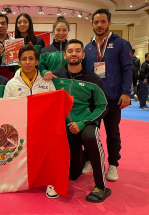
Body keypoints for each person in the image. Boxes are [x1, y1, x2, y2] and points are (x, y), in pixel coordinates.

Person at [44, 39, 110, 203]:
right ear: (65, 54)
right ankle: (85, 157)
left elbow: (103, 106)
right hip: (64, 127)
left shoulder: (93, 79)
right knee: (73, 175)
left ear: (83, 54)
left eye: (77, 51)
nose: (74, 53)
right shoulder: (55, 76)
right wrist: (44, 74)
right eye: (70, 51)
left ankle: (101, 186)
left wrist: (83, 122)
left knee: (91, 137)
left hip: (85, 124)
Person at [83, 9, 132, 181]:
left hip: (112, 98)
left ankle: (113, 164)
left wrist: (126, 93)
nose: (99, 25)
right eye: (96, 22)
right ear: (92, 24)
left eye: (103, 21)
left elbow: (127, 69)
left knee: (112, 133)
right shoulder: (87, 47)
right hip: (91, 99)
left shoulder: (121, 44)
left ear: (109, 23)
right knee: (89, 132)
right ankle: (89, 159)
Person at [3, 44, 57, 198]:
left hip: (42, 128)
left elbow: (53, 105)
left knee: (50, 148)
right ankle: (17, 179)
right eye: (24, 59)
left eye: (31, 59)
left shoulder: (47, 82)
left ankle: (50, 180)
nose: (27, 62)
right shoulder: (11, 84)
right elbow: (6, 109)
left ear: (37, 61)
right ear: (18, 62)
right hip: (20, 128)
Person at [0, 13, 16, 80]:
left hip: (12, 79)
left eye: (3, 23)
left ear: (7, 26)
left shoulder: (14, 42)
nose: (0, 26)